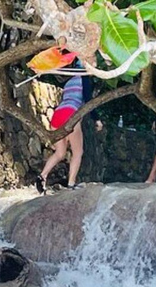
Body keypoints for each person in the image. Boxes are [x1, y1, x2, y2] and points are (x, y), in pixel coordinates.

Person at [36, 59, 102, 194]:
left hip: (57, 114)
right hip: (70, 115)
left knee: (60, 152)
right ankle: (71, 183)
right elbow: (89, 101)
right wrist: (97, 119)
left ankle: (42, 176)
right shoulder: (85, 79)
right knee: (78, 152)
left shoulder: (69, 81)